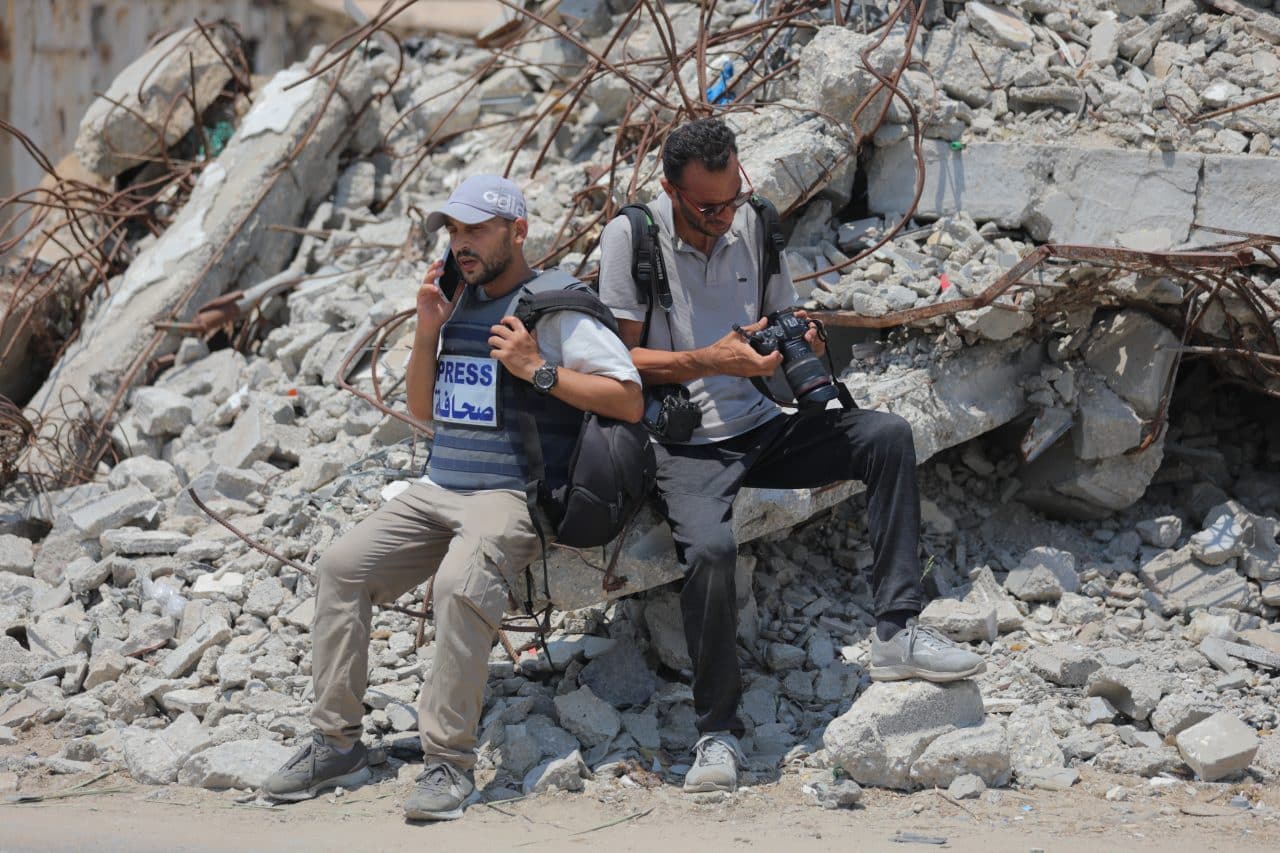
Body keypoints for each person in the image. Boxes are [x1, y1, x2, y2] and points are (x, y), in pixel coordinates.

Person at [597, 118, 984, 794]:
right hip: (686, 443)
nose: (724, 218)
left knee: (886, 435)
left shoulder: (753, 221)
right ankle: (717, 733)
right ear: (671, 190)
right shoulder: (634, 237)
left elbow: (781, 313)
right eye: (708, 208)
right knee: (712, 552)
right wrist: (704, 358)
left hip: (762, 421)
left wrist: (793, 333)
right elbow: (615, 364)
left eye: (733, 198)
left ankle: (896, 632)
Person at [264, 175, 643, 820]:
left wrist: (537, 369)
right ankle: (335, 742)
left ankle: (448, 763)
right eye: (453, 232)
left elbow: (629, 397)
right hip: (438, 488)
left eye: (475, 231)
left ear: (516, 232)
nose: (460, 244)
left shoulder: (555, 307)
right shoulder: (456, 301)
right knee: (340, 568)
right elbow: (422, 411)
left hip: (509, 497)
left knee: (459, 584)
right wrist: (426, 331)